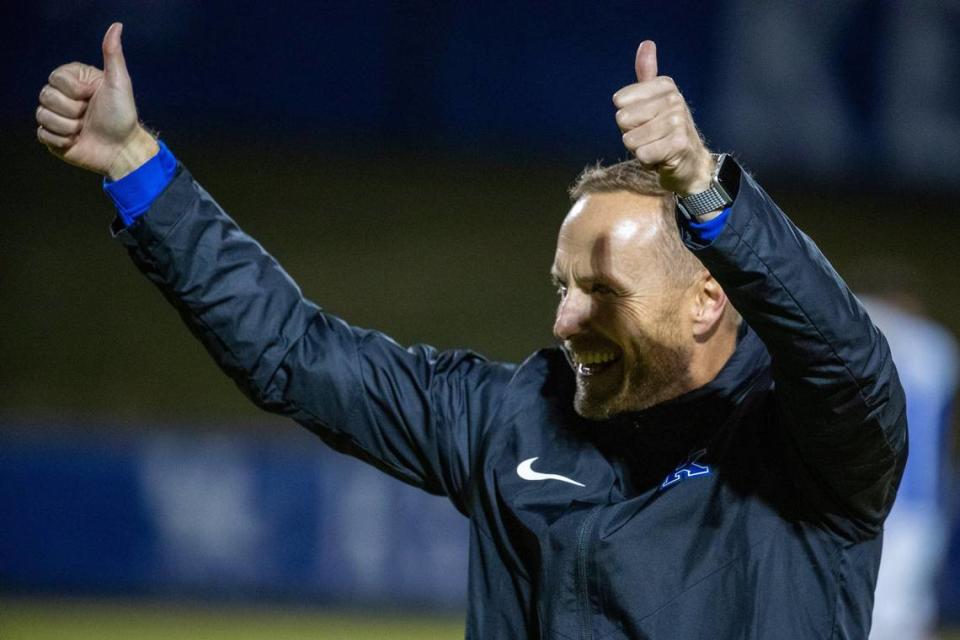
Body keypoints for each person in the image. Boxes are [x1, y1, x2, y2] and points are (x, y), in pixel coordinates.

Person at [36, 23, 906, 639]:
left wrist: (705, 186)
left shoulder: (809, 453)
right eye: (563, 286)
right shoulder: (512, 417)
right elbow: (293, 353)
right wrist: (132, 164)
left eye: (602, 292)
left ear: (708, 301)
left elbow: (849, 363)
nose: (565, 319)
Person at [856, 274, 958, 640]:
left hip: (860, 497)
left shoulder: (852, 319)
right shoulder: (937, 346)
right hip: (917, 502)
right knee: (902, 616)